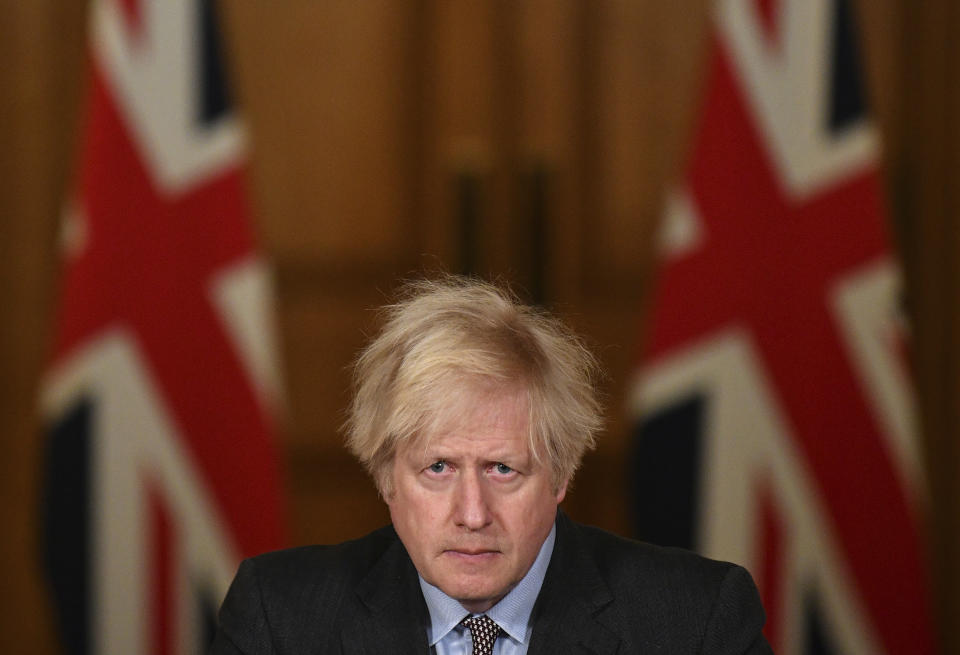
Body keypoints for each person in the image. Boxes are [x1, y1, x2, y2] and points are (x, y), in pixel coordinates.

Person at [210, 275, 772, 654]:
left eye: (503, 469)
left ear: (561, 474)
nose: (472, 514)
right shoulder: (278, 621)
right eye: (438, 469)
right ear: (386, 477)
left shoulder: (697, 625)